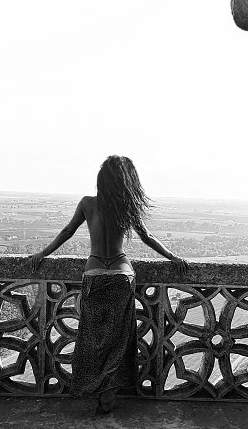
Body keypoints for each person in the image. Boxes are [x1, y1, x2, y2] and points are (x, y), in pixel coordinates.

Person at [30, 155, 189, 414]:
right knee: (118, 339)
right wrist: (173, 257)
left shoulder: (87, 203)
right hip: (121, 275)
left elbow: (67, 232)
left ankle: (94, 386)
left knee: (93, 337)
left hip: (94, 275)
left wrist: (42, 254)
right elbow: (147, 237)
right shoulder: (126, 206)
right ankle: (109, 393)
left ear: (100, 180)